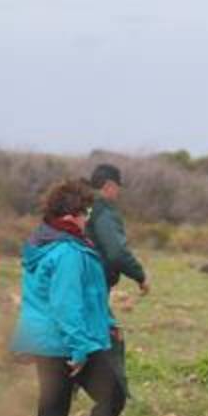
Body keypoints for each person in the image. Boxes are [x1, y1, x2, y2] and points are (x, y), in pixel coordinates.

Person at [12, 179, 125, 416]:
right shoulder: (68, 251)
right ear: (72, 213)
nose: (89, 217)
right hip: (67, 342)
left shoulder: (45, 241)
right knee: (113, 396)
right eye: (86, 210)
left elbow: (87, 295)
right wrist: (79, 348)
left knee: (53, 409)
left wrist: (109, 323)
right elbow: (66, 303)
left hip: (45, 341)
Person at [85, 164, 147, 394]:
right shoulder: (103, 211)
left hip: (72, 282)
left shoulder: (81, 207)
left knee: (77, 337)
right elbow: (117, 252)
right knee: (112, 337)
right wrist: (140, 275)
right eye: (117, 188)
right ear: (109, 186)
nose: (118, 193)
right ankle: (118, 394)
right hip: (91, 284)